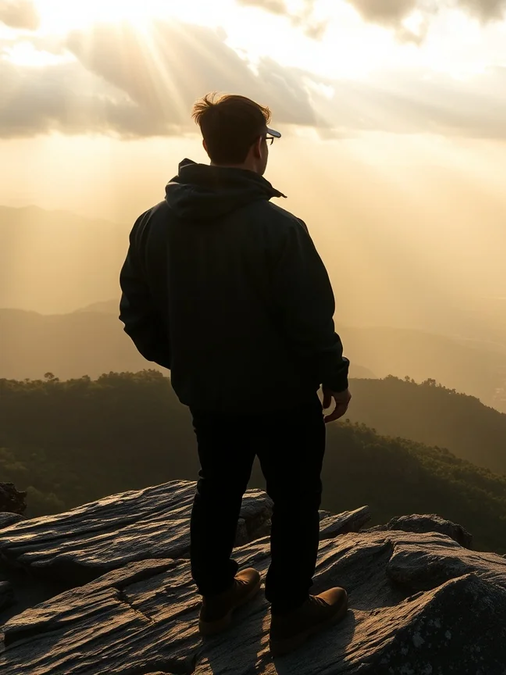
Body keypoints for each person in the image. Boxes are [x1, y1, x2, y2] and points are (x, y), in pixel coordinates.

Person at [119, 93, 351, 656]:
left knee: (217, 487)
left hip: (209, 394)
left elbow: (136, 313)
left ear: (206, 145)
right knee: (295, 497)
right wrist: (333, 375)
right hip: (282, 396)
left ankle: (218, 595)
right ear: (256, 146)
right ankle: (291, 609)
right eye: (267, 141)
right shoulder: (278, 229)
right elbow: (308, 316)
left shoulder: (152, 223)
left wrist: (188, 359)